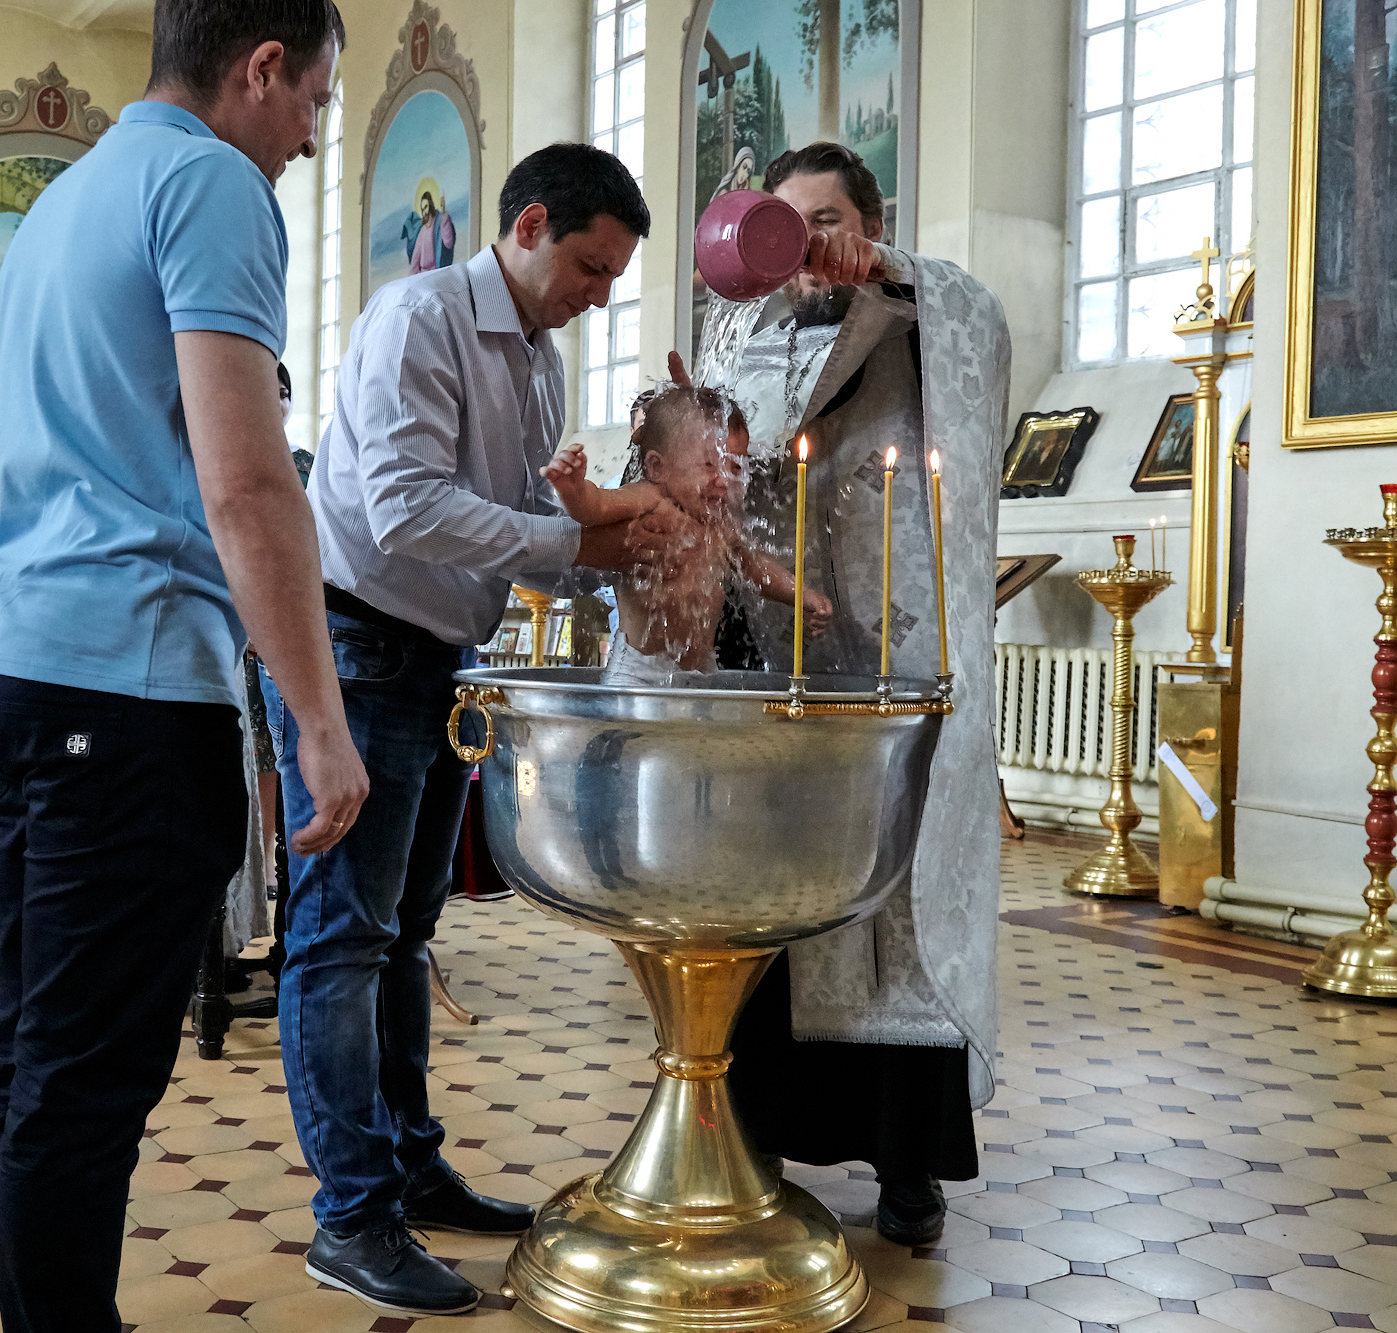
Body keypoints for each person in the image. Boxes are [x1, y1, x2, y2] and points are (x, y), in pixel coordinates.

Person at [0, 4, 365, 1328]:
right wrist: (319, 717)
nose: (312, 132)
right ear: (259, 69)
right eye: (314, 99)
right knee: (83, 1084)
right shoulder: (212, 183)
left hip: (9, 663)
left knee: (37, 1060)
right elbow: (246, 484)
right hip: (116, 682)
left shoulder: (67, 202)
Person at [264, 140, 668, 1316]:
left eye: (611, 278)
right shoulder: (419, 317)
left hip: (441, 658)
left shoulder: (538, 360)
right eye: (591, 268)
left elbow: (537, 520)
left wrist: (625, 563)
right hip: (358, 644)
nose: (599, 296)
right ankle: (351, 1217)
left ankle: (409, 1165)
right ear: (531, 223)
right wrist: (576, 546)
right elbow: (401, 509)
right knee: (341, 940)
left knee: (404, 936)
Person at [688, 141, 1011, 1247]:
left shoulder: (931, 313)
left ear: (872, 220)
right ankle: (761, 1138)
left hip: (901, 661)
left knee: (893, 908)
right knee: (783, 910)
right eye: (786, 222)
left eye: (827, 218)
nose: (807, 244)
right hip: (785, 669)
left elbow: (975, 327)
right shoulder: (752, 338)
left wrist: (879, 269)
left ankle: (908, 1162)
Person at [538, 384, 832, 684]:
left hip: (702, 666)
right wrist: (572, 488)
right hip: (640, 670)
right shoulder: (649, 500)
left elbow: (756, 569)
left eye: (734, 466)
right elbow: (595, 508)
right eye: (708, 464)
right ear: (657, 467)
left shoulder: (720, 525)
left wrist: (802, 595)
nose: (723, 479)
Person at [402, 189, 455, 274]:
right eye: (422, 209)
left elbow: (448, 242)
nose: (424, 212)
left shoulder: (438, 223)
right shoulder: (422, 231)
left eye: (426, 207)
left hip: (435, 273)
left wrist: (444, 213)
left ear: (431, 205)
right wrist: (410, 280)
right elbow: (415, 259)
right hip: (423, 274)